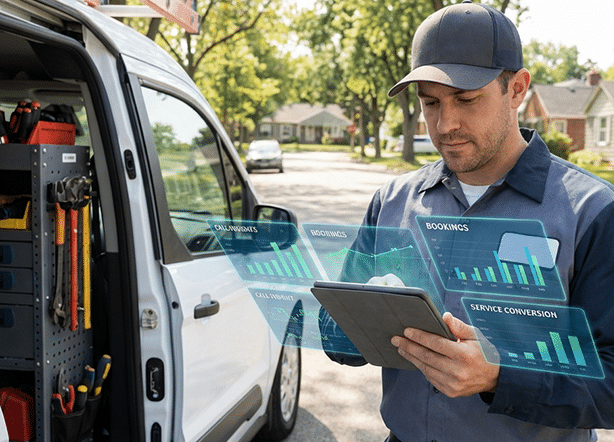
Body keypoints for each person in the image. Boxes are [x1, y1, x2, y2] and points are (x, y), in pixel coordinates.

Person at [320, 1, 614, 441]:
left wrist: (501, 377)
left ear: (517, 89)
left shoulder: (591, 210)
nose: (445, 124)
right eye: (430, 103)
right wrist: (354, 321)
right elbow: (338, 340)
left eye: (466, 99)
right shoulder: (393, 201)